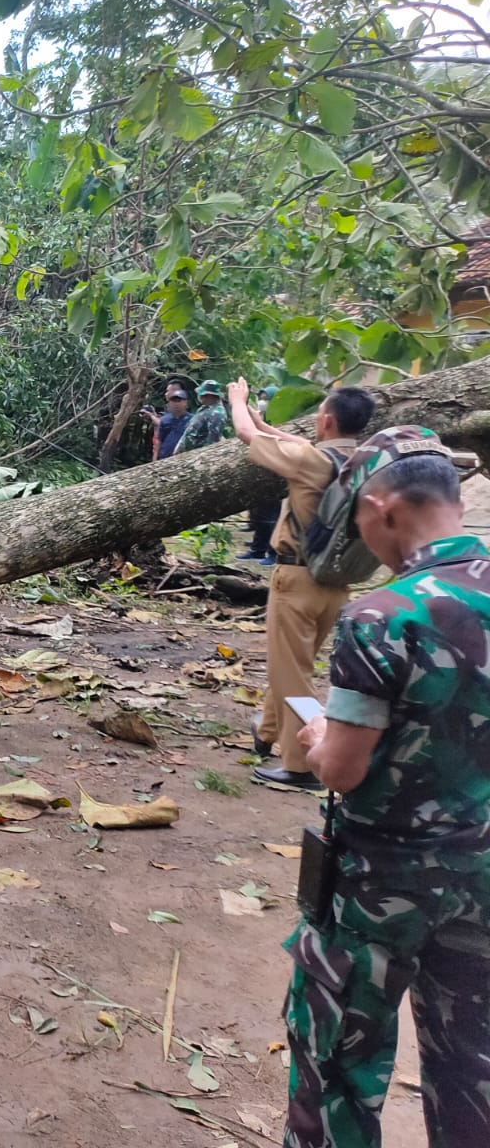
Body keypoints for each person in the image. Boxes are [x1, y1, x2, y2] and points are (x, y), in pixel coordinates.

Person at [284, 427, 490, 1148]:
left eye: (359, 524)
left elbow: (342, 768)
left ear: (381, 507)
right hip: (485, 877)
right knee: (472, 1068)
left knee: (339, 1066)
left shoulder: (384, 616)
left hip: (378, 886)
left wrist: (315, 741)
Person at [225, 378, 376, 788]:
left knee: (292, 674)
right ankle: (267, 729)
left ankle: (302, 764)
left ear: (325, 420)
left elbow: (244, 435)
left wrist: (237, 402)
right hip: (337, 584)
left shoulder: (310, 460)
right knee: (293, 662)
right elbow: (290, 442)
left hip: (296, 580)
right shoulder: (364, 460)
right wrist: (262, 421)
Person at [240, 385, 282, 564]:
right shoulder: (262, 417)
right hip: (261, 472)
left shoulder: (281, 419)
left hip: (276, 473)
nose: (263, 402)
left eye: (267, 398)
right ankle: (258, 548)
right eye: (262, 398)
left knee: (272, 516)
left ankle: (273, 553)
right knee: (260, 513)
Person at [175, 379, 230, 452]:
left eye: (204, 395)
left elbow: (213, 442)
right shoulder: (204, 408)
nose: (201, 397)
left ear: (211, 396)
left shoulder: (217, 414)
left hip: (195, 456)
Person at [141, 385, 191, 461]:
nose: (176, 403)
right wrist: (154, 461)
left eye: (178, 400)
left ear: (185, 402)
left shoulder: (192, 420)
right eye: (173, 401)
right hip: (165, 458)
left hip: (185, 458)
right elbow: (158, 441)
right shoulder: (165, 420)